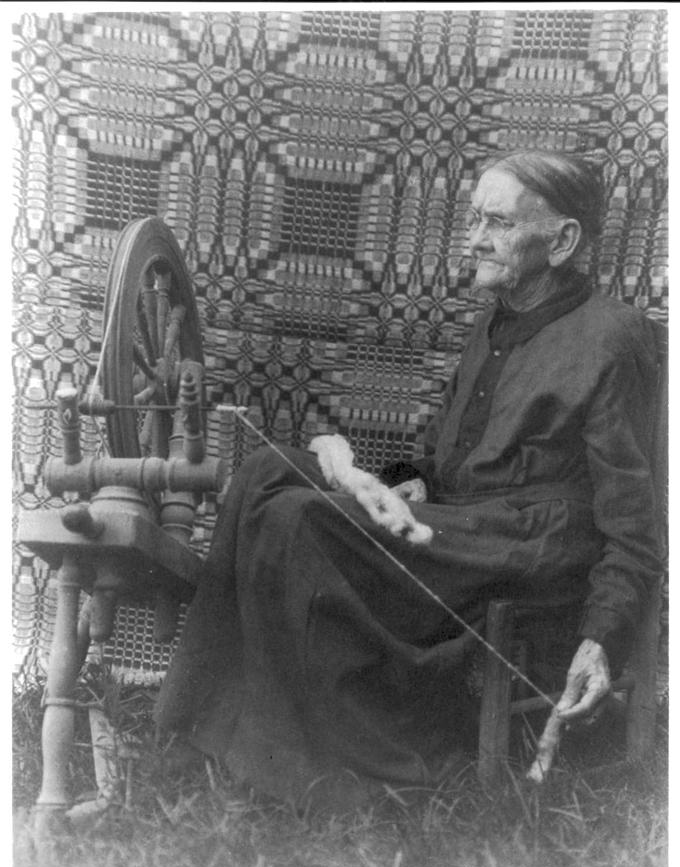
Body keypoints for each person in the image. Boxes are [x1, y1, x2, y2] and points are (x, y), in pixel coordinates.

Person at [155, 150, 661, 811]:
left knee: (295, 520)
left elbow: (633, 521)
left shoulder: (613, 339)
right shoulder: (494, 324)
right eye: (474, 218)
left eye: (498, 224)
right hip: (463, 523)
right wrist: (416, 482)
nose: (474, 238)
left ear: (562, 241)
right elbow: (452, 457)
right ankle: (194, 725)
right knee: (266, 470)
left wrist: (604, 634)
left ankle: (302, 774)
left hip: (527, 550)